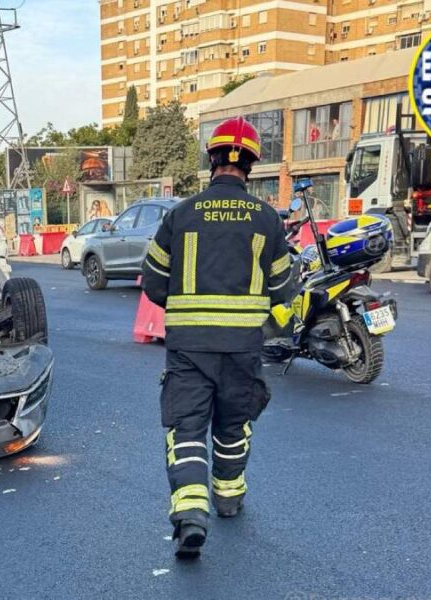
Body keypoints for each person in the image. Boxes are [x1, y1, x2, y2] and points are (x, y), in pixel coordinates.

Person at [142, 116, 297, 559]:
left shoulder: (181, 214)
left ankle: (191, 516)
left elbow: (152, 281)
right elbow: (284, 288)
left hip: (189, 349)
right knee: (232, 426)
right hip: (243, 348)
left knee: (187, 430)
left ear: (212, 159)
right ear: (250, 163)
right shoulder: (268, 220)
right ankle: (228, 499)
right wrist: (271, 327)